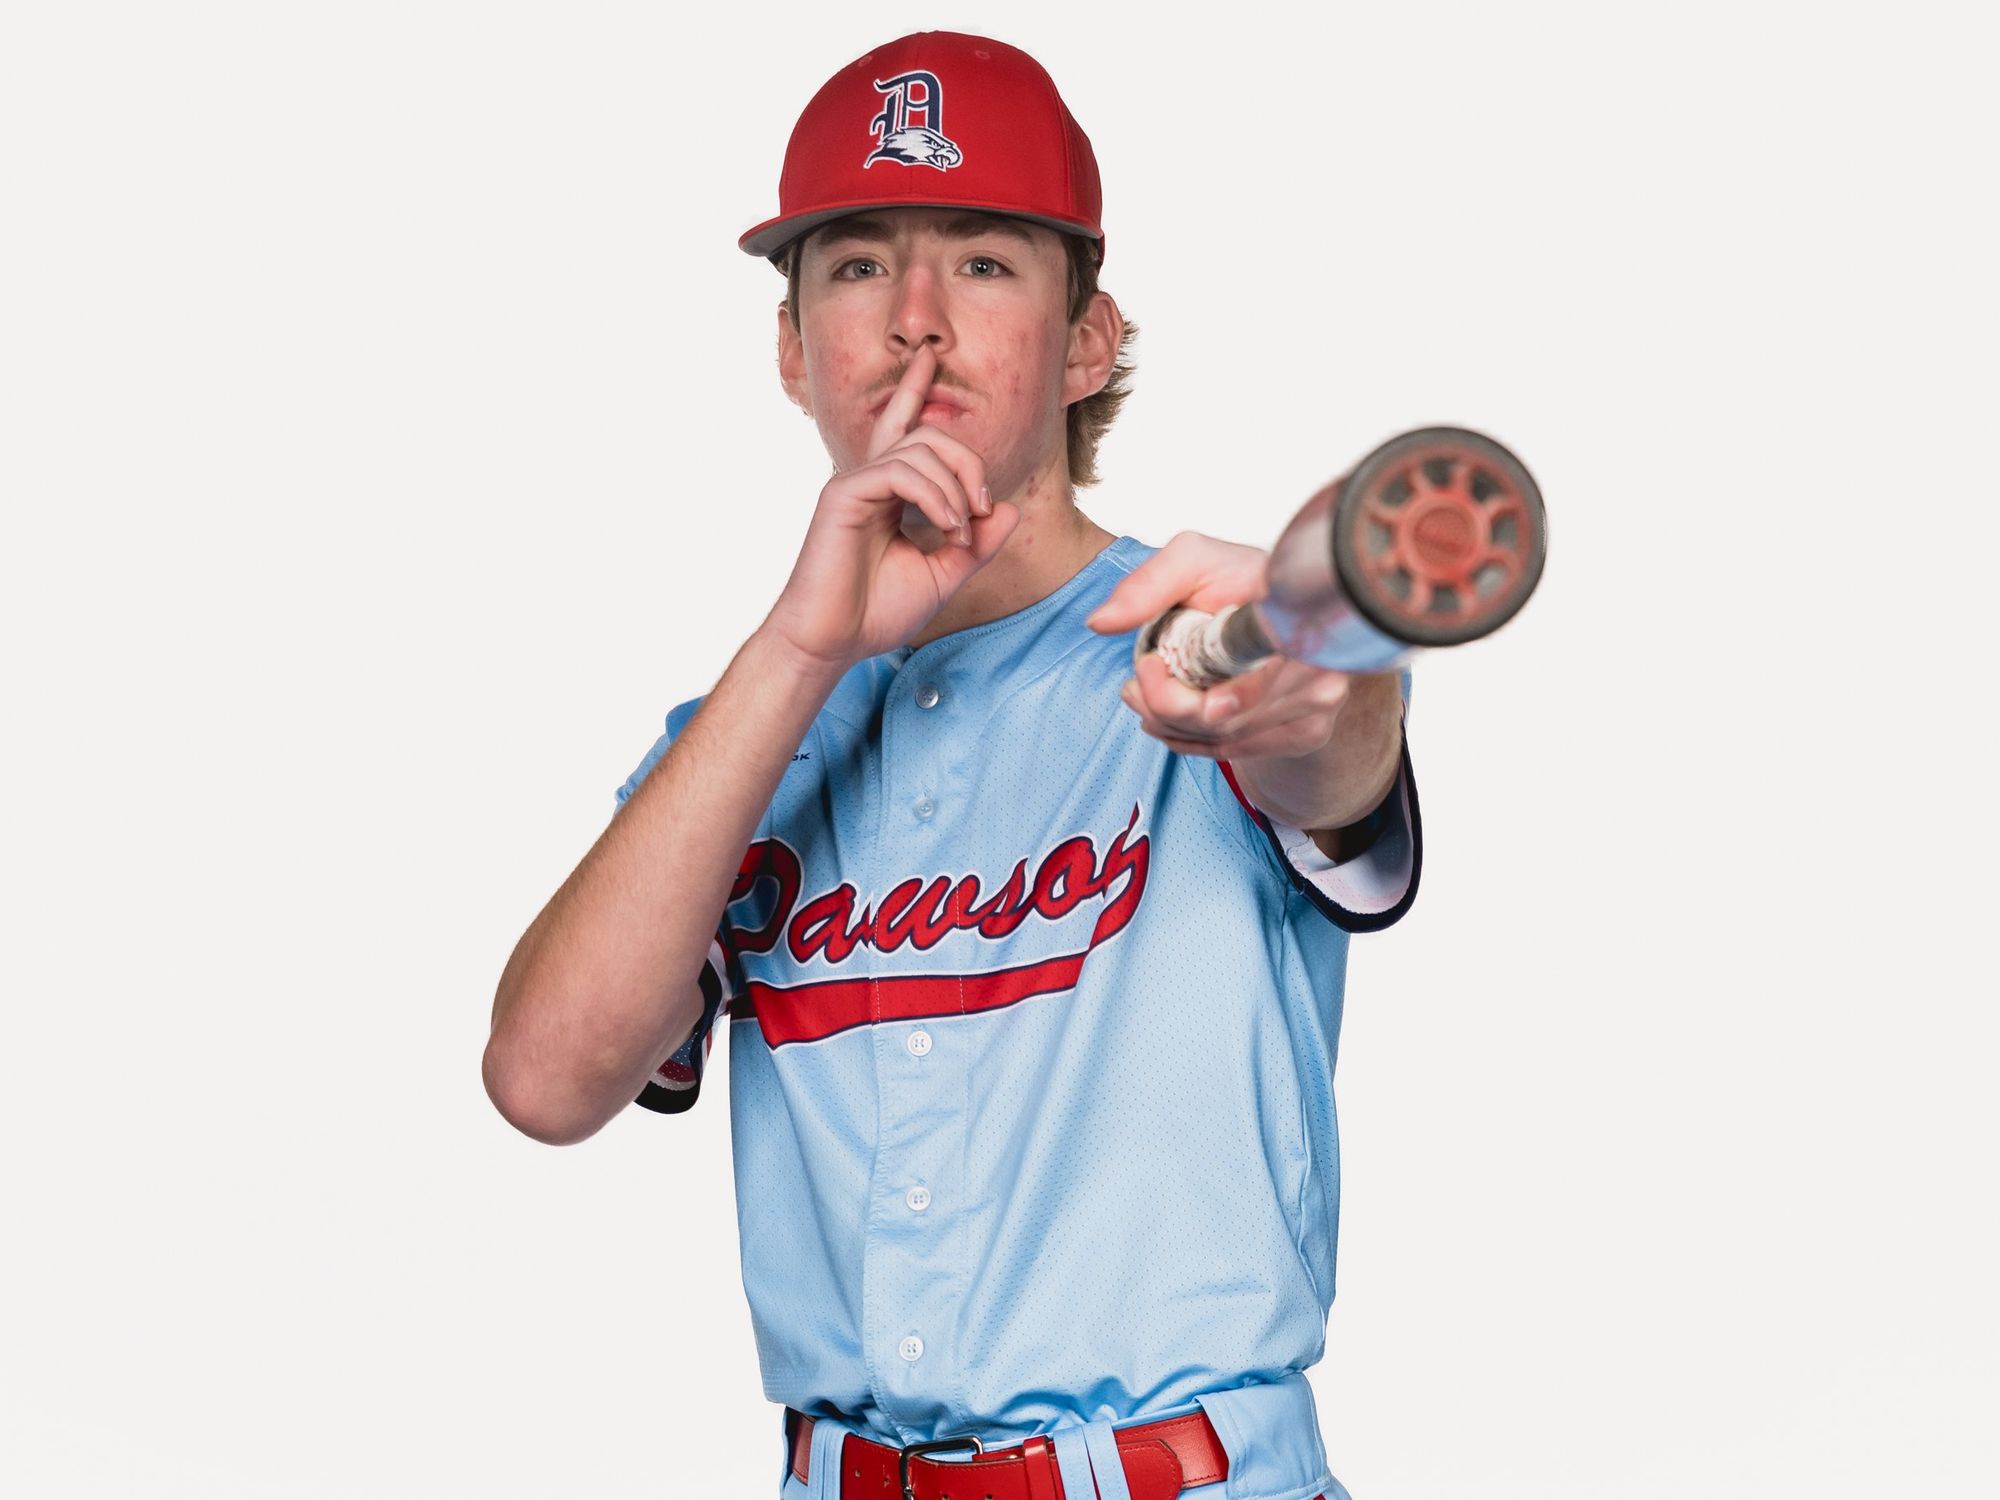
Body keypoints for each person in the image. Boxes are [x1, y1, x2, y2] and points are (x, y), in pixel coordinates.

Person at [484, 30, 1420, 1500]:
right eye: (860, 266)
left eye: (983, 263)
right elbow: (546, 1081)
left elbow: (1334, 746)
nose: (916, 322)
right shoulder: (739, 741)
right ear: (794, 350)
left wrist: (1331, 672)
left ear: (1087, 341)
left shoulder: (1207, 647)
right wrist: (800, 650)